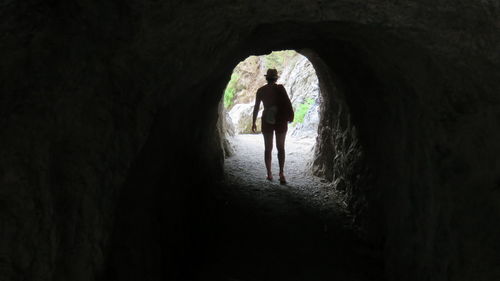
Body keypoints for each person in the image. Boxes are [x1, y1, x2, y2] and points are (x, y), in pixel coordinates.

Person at [252, 68, 294, 184]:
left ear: (266, 78)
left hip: (267, 119)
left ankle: (269, 173)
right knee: (281, 147)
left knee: (268, 148)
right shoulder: (280, 89)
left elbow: (256, 107)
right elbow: (287, 103)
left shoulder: (261, 90)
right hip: (280, 119)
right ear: (276, 78)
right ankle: (281, 173)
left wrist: (253, 122)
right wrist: (290, 116)